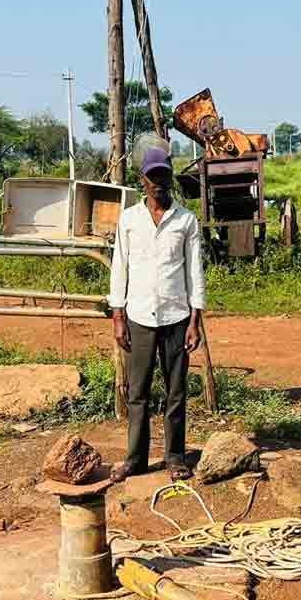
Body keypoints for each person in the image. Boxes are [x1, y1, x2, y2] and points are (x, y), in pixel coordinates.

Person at [107, 146, 205, 483]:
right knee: (138, 393)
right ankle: (135, 459)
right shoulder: (129, 220)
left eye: (164, 175)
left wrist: (195, 320)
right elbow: (120, 266)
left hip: (177, 317)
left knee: (176, 392)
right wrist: (117, 315)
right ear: (143, 181)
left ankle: (175, 457)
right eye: (153, 177)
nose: (159, 182)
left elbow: (195, 272)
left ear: (170, 179)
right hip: (139, 317)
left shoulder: (186, 221)